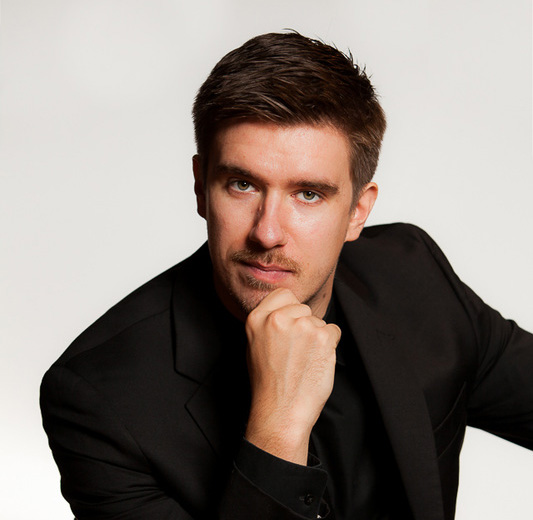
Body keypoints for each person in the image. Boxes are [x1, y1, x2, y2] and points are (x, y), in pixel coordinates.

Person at [40, 32, 533, 520]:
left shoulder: (411, 276)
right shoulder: (99, 401)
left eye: (309, 194)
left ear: (358, 211)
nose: (268, 232)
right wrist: (277, 428)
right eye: (242, 184)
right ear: (199, 187)